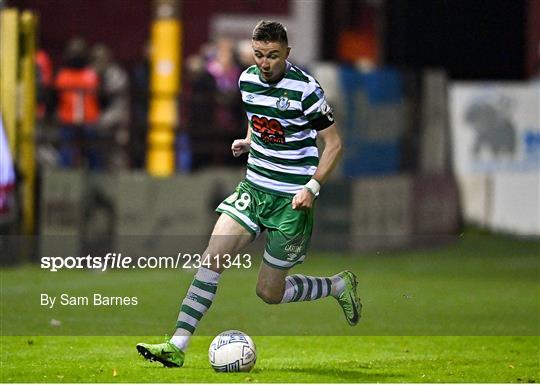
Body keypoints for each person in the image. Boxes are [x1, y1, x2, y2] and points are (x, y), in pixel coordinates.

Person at [136, 20, 361, 368]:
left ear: (287, 53)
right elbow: (258, 119)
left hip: (291, 200)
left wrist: (311, 188)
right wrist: (249, 141)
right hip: (254, 188)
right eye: (259, 55)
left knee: (269, 293)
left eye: (273, 55)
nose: (265, 62)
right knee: (213, 257)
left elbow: (334, 144)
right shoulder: (246, 80)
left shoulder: (306, 90)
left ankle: (336, 286)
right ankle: (177, 345)